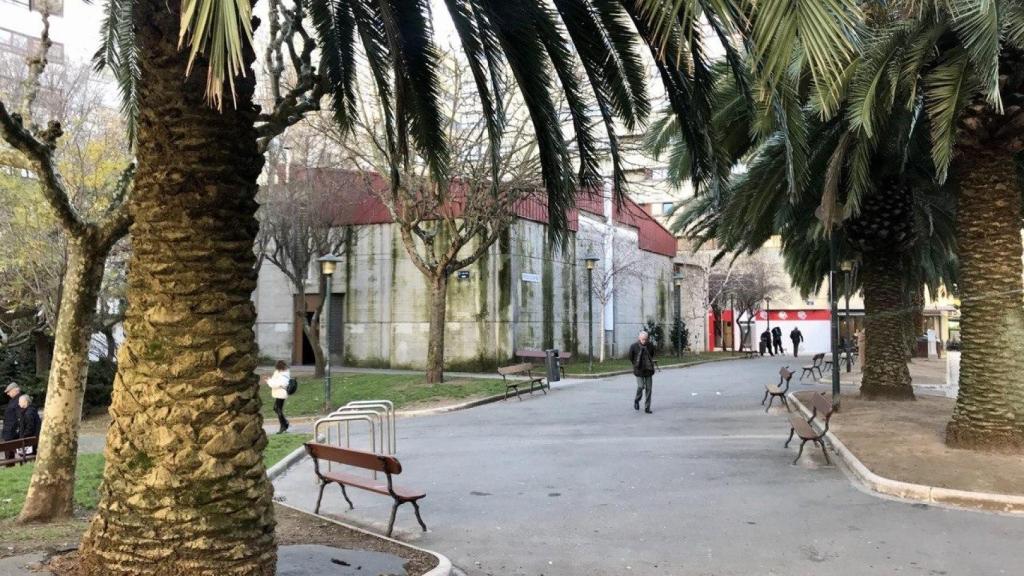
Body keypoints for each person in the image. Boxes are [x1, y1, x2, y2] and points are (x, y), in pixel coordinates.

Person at [630, 331, 656, 414]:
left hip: (648, 370)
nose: (644, 341)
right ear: (639, 338)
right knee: (641, 386)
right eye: (642, 339)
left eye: (645, 339)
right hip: (639, 370)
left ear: (647, 339)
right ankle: (637, 400)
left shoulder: (650, 346)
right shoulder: (634, 346)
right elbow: (631, 357)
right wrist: (636, 364)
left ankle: (647, 407)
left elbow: (651, 355)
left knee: (649, 389)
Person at [266, 360, 291, 434]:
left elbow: (277, 384)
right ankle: (285, 423)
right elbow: (275, 381)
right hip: (278, 393)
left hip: (281, 393)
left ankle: (283, 426)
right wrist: (270, 380)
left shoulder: (284, 374)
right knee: (276, 408)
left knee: (278, 409)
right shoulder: (278, 372)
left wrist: (269, 381)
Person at [2, 383, 24, 466]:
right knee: (9, 452)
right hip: (10, 431)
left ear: (16, 390)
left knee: (9, 452)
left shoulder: (19, 400)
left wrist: (16, 429)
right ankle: (10, 466)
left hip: (12, 431)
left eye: (9, 391)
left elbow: (20, 416)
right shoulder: (14, 400)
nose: (7, 393)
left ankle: (10, 466)